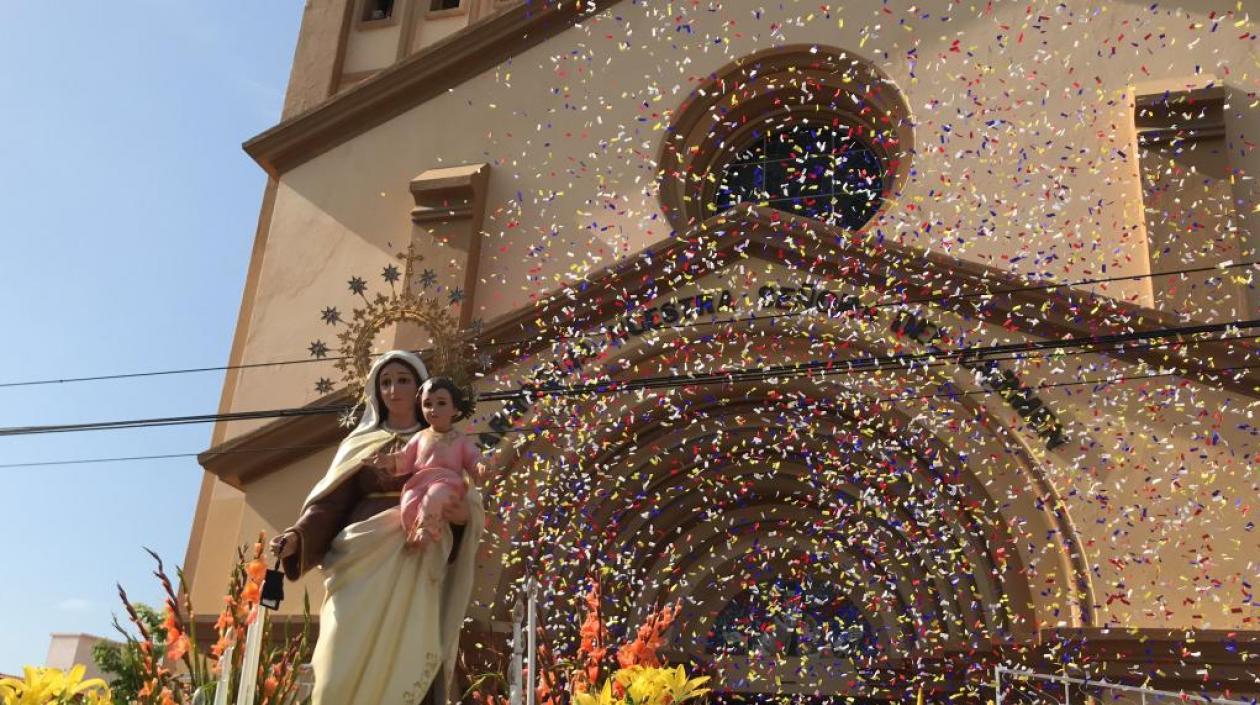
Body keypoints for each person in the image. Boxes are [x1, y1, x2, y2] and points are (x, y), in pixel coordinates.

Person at [268, 350, 485, 705]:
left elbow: (466, 498)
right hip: (360, 556)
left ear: (420, 389)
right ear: (375, 390)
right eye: (385, 382)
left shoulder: (442, 442)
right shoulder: (359, 444)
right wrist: (298, 537)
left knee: (408, 644)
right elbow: (331, 504)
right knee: (336, 660)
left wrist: (463, 516)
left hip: (416, 555)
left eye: (403, 380)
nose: (393, 390)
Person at [369, 376, 480, 550]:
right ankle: (413, 533)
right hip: (420, 483)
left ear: (455, 408)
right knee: (408, 502)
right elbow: (404, 458)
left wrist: (481, 465)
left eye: (441, 403)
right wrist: (388, 460)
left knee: (435, 496)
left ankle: (427, 532)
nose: (433, 409)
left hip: (447, 484)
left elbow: (474, 458)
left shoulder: (461, 440)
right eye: (427, 404)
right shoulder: (420, 437)